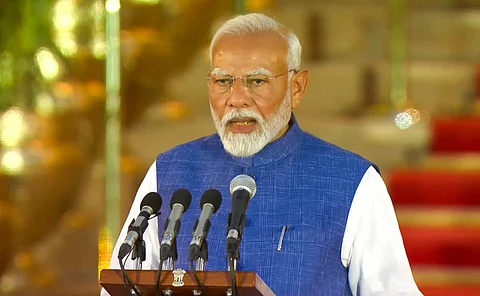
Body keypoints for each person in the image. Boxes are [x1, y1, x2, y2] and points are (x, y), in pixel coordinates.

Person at [101, 13, 423, 296]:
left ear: (297, 87)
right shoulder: (170, 172)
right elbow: (121, 284)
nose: (237, 98)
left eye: (257, 81)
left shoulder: (352, 182)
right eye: (223, 81)